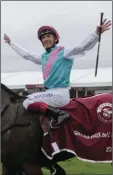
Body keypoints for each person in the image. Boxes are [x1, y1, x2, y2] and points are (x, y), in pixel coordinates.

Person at [4, 19, 111, 123]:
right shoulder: (43, 57)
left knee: (27, 102)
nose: (46, 39)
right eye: (43, 38)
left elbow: (81, 48)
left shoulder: (64, 52)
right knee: (27, 102)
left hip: (60, 94)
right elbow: (26, 55)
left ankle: (58, 114)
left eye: (49, 36)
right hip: (49, 93)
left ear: (55, 39)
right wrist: (11, 43)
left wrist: (96, 34)